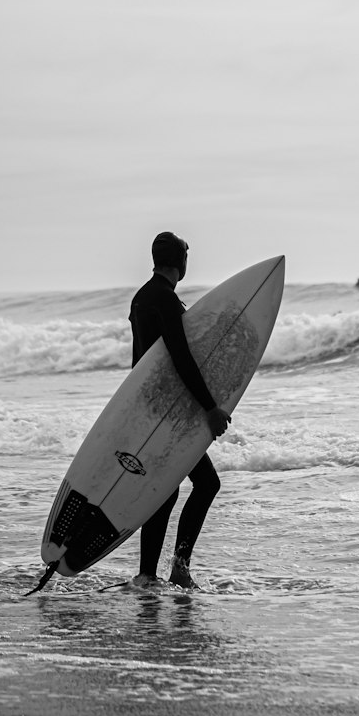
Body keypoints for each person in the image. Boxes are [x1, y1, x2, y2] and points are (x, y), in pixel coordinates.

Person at [129, 232, 231, 590]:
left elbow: (138, 364)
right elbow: (181, 358)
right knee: (206, 484)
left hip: (152, 409)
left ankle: (147, 574)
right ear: (180, 261)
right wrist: (210, 408)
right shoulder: (165, 300)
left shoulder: (141, 298)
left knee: (168, 489)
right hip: (171, 414)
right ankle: (178, 568)